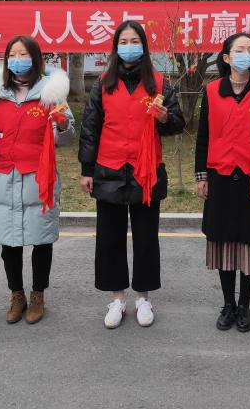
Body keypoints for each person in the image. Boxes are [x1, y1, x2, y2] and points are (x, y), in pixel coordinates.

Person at [78, 21, 185, 329]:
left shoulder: (159, 83)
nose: (129, 46)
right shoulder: (103, 82)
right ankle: (117, 299)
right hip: (109, 168)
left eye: (134, 41)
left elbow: (178, 122)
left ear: (143, 46)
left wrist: (165, 118)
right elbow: (90, 128)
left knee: (146, 237)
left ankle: (143, 298)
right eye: (123, 42)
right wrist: (87, 170)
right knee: (109, 238)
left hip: (145, 171)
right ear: (116, 48)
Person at [0, 36, 75, 325]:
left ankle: (38, 294)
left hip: (38, 178)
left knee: (41, 239)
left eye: (24, 54)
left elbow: (67, 138)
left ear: (36, 58)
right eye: (13, 55)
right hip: (3, 176)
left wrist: (62, 125)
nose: (18, 60)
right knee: (9, 243)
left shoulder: (52, 92)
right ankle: (16, 295)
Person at [195, 32, 250, 333]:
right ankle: (228, 303)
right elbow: (204, 136)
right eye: (241, 49)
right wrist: (201, 176)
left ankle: (244, 305)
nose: (248, 54)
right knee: (223, 242)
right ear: (227, 57)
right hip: (220, 176)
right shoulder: (211, 91)